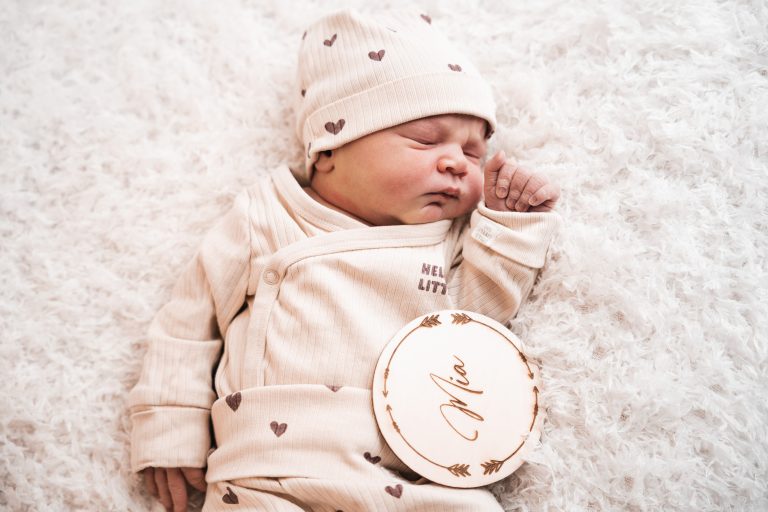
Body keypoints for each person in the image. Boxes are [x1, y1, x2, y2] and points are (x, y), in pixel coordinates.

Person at [129, 8, 561, 512]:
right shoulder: (267, 215)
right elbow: (188, 323)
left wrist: (508, 227)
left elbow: (478, 318)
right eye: (425, 139)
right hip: (270, 471)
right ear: (329, 149)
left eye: (473, 153)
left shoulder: (447, 242)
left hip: (415, 466)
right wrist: (169, 423)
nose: (455, 163)